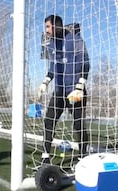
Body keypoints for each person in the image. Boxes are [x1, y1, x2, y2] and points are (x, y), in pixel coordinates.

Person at [38, 15, 90, 164]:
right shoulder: (51, 44)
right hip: (59, 92)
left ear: (57, 25)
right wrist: (45, 82)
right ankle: (45, 158)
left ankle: (82, 158)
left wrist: (80, 87)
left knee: (78, 124)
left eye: (48, 27)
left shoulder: (75, 40)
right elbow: (53, 67)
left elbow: (86, 64)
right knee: (49, 120)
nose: (46, 30)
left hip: (75, 91)